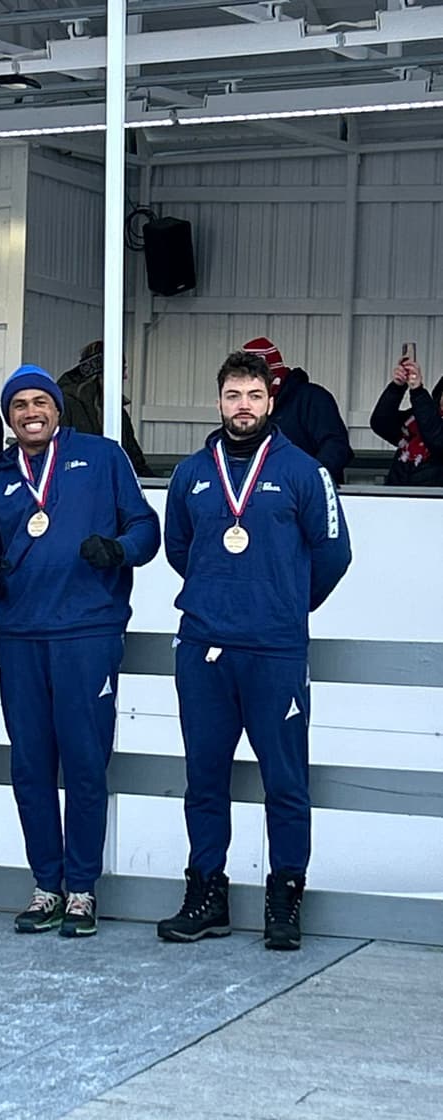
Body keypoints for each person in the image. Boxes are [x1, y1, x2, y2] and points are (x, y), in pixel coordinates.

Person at [156, 351, 351, 951]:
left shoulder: (303, 470)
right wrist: (223, 600)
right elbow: (178, 549)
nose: (244, 405)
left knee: (285, 781)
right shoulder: (191, 473)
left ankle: (285, 895)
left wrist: (282, 604)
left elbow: (333, 555)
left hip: (275, 652)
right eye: (233, 395)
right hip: (205, 649)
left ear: (272, 401)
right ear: (220, 401)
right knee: (204, 778)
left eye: (254, 395)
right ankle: (207, 894)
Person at [0, 365, 161, 938]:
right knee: (31, 767)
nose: (30, 412)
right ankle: (46, 884)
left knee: (85, 763)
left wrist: (117, 549)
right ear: (8, 416)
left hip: (86, 635)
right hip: (22, 639)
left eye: (39, 401)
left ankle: (81, 889)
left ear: (57, 407)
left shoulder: (101, 458)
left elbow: (147, 528)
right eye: (18, 404)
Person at [241, 336, 353, 483]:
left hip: (306, 495)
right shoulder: (245, 405)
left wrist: (308, 480)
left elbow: (336, 447)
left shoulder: (312, 398)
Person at [58, 340, 153, 477]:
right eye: (122, 368)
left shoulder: (116, 412)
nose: (126, 376)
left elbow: (134, 463)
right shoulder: (64, 407)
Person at [369, 353, 443, 486]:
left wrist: (418, 392)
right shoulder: (420, 415)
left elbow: (437, 439)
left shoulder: (425, 414)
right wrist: (397, 386)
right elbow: (381, 424)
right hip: (399, 494)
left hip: (434, 501)